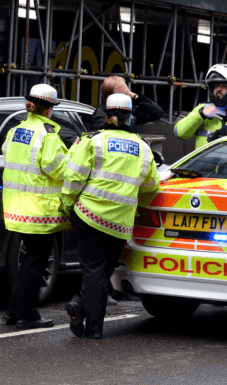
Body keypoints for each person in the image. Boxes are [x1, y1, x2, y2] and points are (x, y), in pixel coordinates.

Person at [62, 93, 160, 339]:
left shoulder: (91, 141)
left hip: (88, 215)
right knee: (102, 271)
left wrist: (67, 206)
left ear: (106, 115)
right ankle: (86, 315)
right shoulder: (142, 147)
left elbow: (73, 177)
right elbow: (151, 186)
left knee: (93, 271)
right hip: (119, 222)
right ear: (130, 117)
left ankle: (91, 324)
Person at [1, 84, 69, 330]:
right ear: (49, 109)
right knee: (35, 262)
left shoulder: (16, 130)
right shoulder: (48, 134)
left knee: (31, 260)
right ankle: (27, 314)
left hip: (17, 207)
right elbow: (58, 168)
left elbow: (8, 154)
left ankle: (13, 312)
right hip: (39, 209)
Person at [91, 76, 163, 133]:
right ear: (109, 96)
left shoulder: (128, 110)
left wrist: (134, 96)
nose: (126, 96)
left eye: (126, 93)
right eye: (122, 93)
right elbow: (99, 136)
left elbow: (157, 113)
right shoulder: (100, 113)